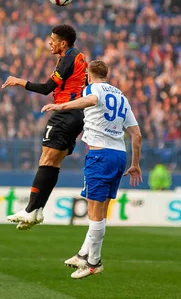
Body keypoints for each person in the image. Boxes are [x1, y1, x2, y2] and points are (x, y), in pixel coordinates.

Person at [42, 60, 142, 279]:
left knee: (94, 212)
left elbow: (91, 100)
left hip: (100, 155)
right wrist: (135, 164)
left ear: (88, 74)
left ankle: (94, 263)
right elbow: (137, 134)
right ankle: (83, 254)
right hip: (119, 156)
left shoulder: (92, 88)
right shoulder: (121, 97)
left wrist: (61, 106)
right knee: (102, 210)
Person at [2, 24, 87, 229]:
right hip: (77, 114)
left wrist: (18, 81)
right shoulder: (77, 57)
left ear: (63, 43)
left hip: (65, 113)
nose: (49, 42)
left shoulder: (68, 59)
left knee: (46, 160)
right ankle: (38, 210)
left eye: (53, 39)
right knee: (52, 163)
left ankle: (30, 210)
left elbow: (47, 88)